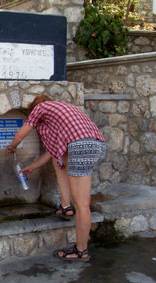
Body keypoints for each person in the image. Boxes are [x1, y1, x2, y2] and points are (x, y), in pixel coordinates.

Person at [6, 94, 105, 261]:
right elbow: (53, 153)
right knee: (59, 160)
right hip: (95, 144)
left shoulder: (40, 108)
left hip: (79, 146)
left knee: (82, 205)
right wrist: (32, 166)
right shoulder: (64, 109)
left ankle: (81, 250)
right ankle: (66, 206)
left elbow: (20, 134)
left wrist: (12, 146)